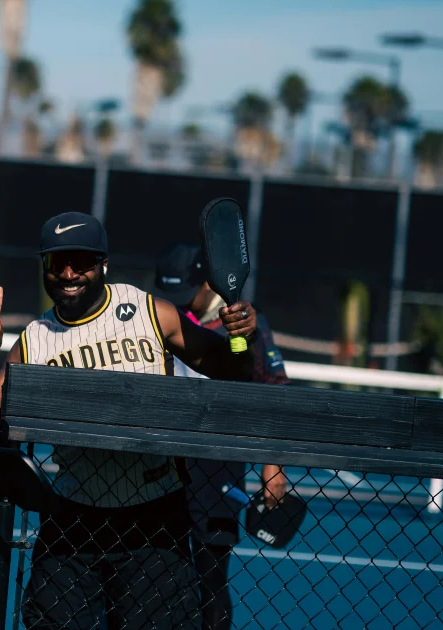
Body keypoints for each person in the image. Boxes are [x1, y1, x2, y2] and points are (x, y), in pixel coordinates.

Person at [0, 211, 259, 629]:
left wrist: (242, 335)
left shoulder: (149, 311)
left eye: (80, 261)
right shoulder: (35, 339)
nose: (68, 272)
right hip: (72, 519)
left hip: (154, 519)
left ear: (103, 263)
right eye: (56, 261)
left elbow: (231, 368)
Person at [155, 243, 290, 630]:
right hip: (162, 465)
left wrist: (273, 466)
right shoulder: (158, 318)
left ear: (205, 283)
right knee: (155, 574)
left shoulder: (242, 323)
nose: (179, 304)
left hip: (218, 468)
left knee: (210, 579)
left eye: (185, 295)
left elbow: (274, 390)